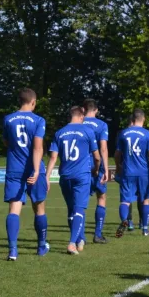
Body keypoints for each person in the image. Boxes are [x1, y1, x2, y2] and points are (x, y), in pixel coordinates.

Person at [2, 88, 49, 261]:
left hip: (14, 168)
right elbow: (38, 147)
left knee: (14, 209)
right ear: (33, 102)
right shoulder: (38, 120)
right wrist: (36, 170)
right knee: (39, 207)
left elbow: (7, 142)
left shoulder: (8, 119)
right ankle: (41, 246)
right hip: (32, 169)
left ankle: (13, 251)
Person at [46, 106, 100, 255]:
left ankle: (80, 239)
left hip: (65, 177)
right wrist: (96, 169)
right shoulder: (88, 131)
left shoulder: (60, 133)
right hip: (82, 175)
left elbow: (53, 157)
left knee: (72, 210)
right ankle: (71, 243)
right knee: (79, 209)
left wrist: (47, 177)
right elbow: (97, 156)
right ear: (81, 116)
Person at [115, 109, 149, 237]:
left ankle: (125, 221)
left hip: (127, 172)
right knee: (145, 200)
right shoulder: (148, 134)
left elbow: (117, 154)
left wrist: (118, 167)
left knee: (125, 201)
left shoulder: (123, 134)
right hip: (143, 173)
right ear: (143, 119)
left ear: (132, 119)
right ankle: (145, 229)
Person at [82, 99, 109, 244]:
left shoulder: (78, 123)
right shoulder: (102, 125)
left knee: (81, 201)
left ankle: (80, 236)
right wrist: (105, 168)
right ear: (96, 110)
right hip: (97, 166)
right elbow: (103, 148)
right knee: (101, 197)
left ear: (83, 109)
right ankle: (97, 234)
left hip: (81, 167)